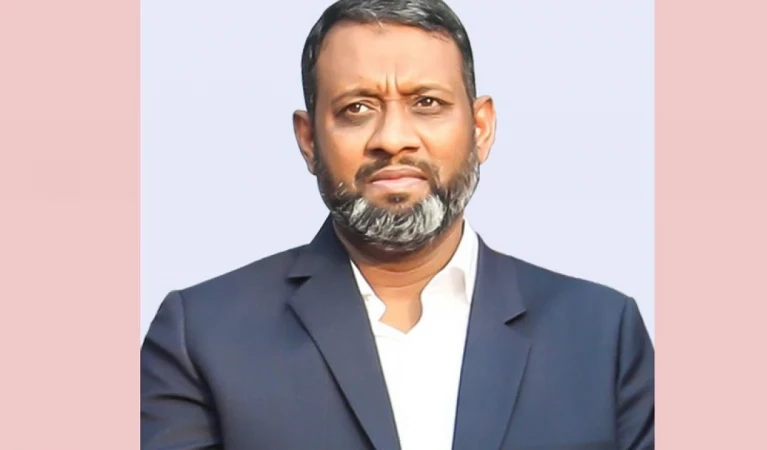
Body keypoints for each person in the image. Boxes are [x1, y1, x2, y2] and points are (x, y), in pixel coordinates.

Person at [140, 0, 655, 448]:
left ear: (480, 128)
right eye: (356, 108)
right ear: (309, 140)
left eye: (427, 103)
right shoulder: (202, 335)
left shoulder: (602, 334)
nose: (392, 138)